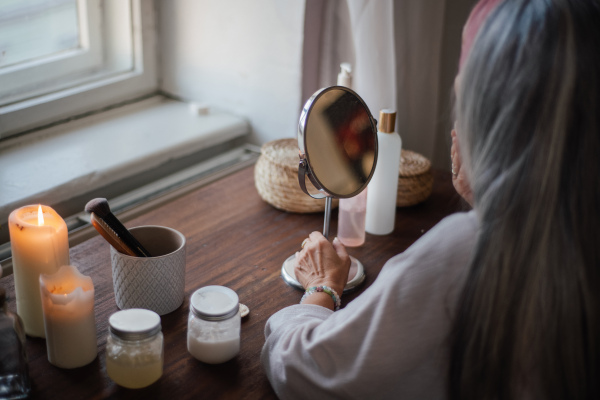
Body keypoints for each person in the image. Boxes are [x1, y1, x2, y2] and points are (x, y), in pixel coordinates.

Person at [261, 0, 600, 399]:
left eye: (464, 98)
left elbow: (299, 368)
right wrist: (491, 201)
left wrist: (323, 287)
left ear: (490, 117)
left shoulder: (467, 253)